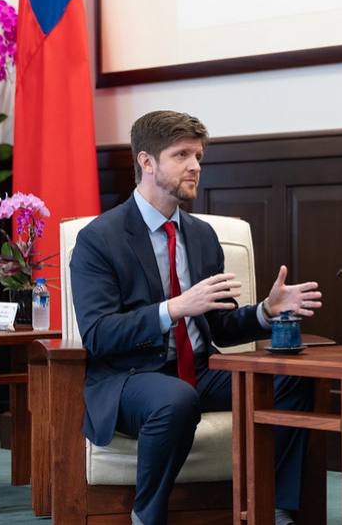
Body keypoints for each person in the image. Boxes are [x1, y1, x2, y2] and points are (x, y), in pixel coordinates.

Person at [70, 110, 322, 525]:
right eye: (182, 155)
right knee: (175, 397)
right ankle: (146, 516)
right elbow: (98, 334)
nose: (195, 167)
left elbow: (217, 324)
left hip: (200, 369)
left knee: (292, 374)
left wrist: (266, 311)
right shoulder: (99, 239)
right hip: (130, 377)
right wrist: (174, 308)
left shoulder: (202, 235)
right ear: (147, 162)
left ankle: (274, 508)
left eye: (199, 156)